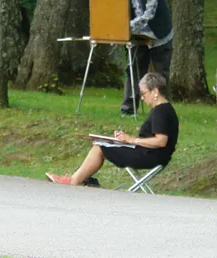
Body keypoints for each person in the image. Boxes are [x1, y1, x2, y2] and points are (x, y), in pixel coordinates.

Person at [46, 73, 179, 186]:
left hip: (151, 156)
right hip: (151, 154)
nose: (142, 98)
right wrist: (125, 140)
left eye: (143, 93)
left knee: (99, 147)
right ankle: (81, 178)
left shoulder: (160, 111)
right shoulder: (164, 109)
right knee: (102, 143)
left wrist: (132, 140)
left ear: (155, 91)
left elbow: (161, 141)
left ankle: (74, 181)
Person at [117, 0, 173, 116]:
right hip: (138, 34)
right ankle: (128, 108)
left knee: (160, 74)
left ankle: (161, 110)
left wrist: (126, 27)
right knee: (134, 68)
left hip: (159, 33)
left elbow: (149, 14)